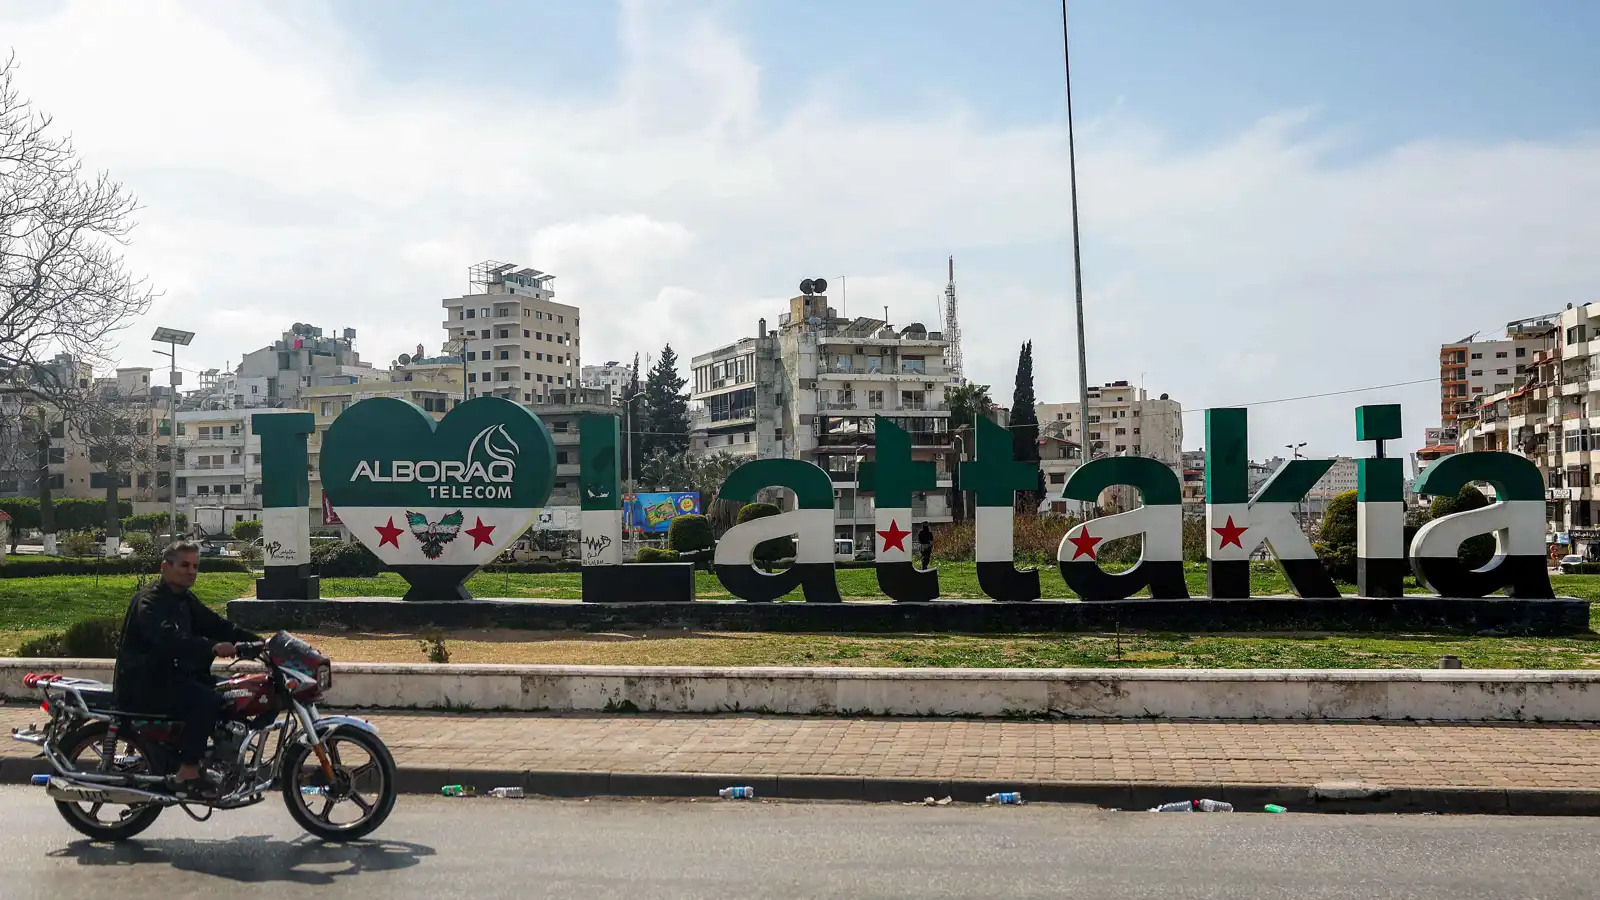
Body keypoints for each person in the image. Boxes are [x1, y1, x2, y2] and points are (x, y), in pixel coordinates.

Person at [113, 540, 261, 799]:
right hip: (145, 684)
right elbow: (167, 638)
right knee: (205, 700)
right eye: (184, 565)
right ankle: (188, 770)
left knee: (232, 692)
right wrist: (212, 648)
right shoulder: (150, 601)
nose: (191, 571)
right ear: (165, 567)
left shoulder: (183, 598)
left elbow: (216, 624)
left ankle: (213, 757)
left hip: (171, 677)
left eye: (195, 566)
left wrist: (261, 642)